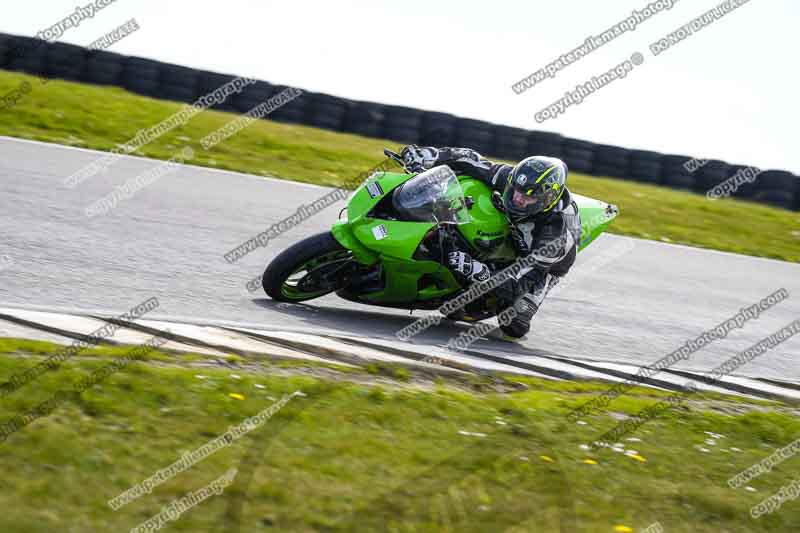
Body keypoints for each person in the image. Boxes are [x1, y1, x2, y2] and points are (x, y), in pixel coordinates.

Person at [400, 145, 582, 339]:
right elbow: (470, 159)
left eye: (527, 197)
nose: (518, 199)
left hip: (541, 266)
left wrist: (473, 268)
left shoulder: (554, 235)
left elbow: (517, 285)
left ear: (547, 198)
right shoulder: (513, 180)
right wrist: (427, 155)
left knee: (513, 324)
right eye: (516, 191)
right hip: (517, 230)